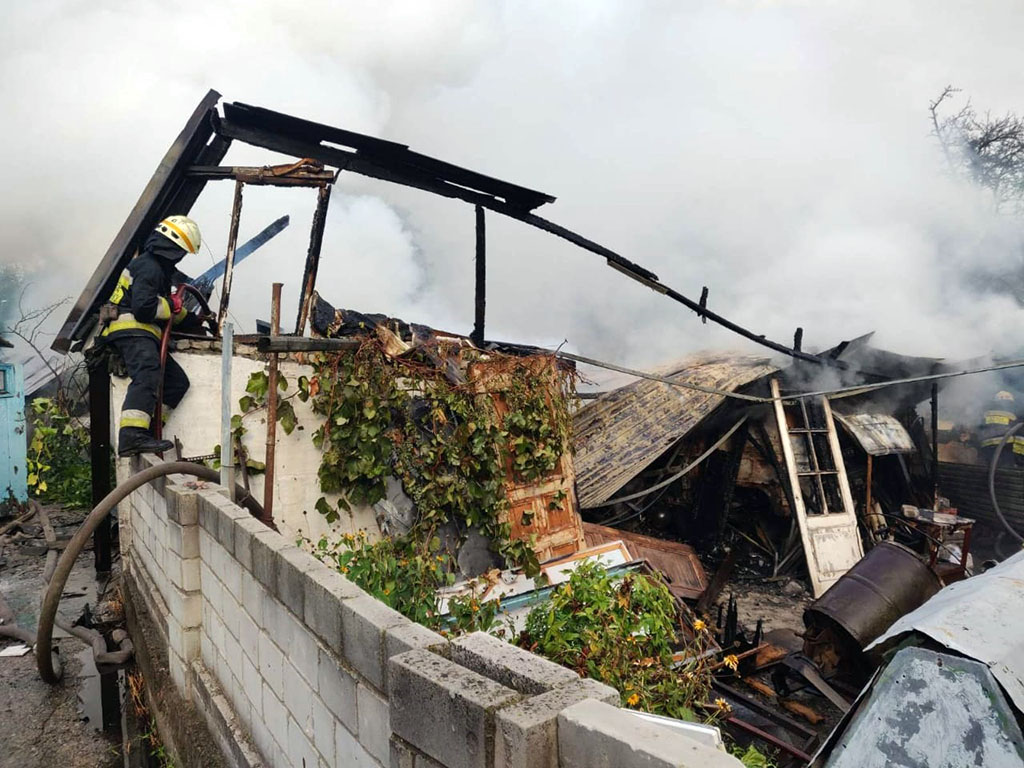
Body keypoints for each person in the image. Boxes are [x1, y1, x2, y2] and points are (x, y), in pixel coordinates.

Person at [101, 216, 202, 456]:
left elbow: (165, 308)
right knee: (147, 370)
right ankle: (131, 437)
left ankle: (149, 430)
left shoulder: (156, 268)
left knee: (177, 383)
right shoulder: (149, 267)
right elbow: (145, 309)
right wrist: (171, 305)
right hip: (131, 331)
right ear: (173, 248)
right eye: (181, 252)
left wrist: (191, 319)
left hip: (141, 333)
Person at [979, 389, 1018, 469]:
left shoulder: (986, 412)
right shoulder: (1012, 413)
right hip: (1006, 448)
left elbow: (980, 428)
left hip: (987, 448)